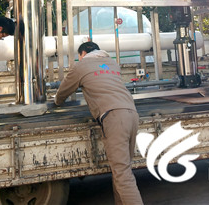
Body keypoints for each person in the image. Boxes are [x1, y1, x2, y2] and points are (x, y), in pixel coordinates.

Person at [54, 41, 143, 205]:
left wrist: (56, 102)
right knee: (121, 171)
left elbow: (63, 91)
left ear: (83, 54)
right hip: (131, 114)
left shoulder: (81, 65)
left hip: (114, 118)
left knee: (122, 175)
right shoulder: (112, 63)